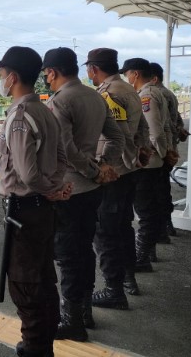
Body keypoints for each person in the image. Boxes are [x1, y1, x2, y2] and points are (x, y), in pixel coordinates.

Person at [0, 46, 70, 357]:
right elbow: (62, 157)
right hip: (41, 211)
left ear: (12, 78)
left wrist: (46, 189)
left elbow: (25, 174)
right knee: (44, 280)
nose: (0, 80)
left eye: (1, 75)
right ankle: (41, 345)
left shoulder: (21, 116)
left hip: (25, 211)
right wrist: (54, 186)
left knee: (26, 287)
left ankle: (36, 349)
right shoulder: (45, 111)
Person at [42, 47, 124, 341]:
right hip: (92, 190)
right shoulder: (95, 96)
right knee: (85, 250)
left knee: (67, 255)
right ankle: (85, 311)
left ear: (52, 72)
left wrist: (92, 169)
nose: (46, 80)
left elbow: (64, 149)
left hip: (69, 191)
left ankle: (72, 320)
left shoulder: (61, 101)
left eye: (46, 74)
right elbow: (116, 137)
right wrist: (104, 166)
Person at [84, 48, 150, 303]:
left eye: (88, 69)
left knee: (107, 232)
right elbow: (142, 128)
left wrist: (105, 167)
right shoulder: (130, 90)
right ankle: (128, 277)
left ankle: (114, 291)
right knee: (123, 228)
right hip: (129, 171)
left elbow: (116, 137)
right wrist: (142, 151)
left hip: (116, 175)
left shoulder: (109, 94)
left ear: (94, 69)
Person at [119, 58, 169, 273]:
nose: (126, 78)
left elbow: (155, 131)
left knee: (145, 211)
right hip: (155, 160)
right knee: (151, 208)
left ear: (136, 74)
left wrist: (162, 153)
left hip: (148, 163)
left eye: (127, 74)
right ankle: (147, 253)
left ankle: (141, 258)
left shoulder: (146, 95)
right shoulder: (157, 92)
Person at [149, 62, 182, 239]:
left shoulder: (156, 94)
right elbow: (177, 122)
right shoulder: (169, 94)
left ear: (154, 78)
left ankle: (162, 230)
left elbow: (158, 129)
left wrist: (164, 152)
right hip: (169, 148)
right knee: (163, 189)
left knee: (155, 194)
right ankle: (165, 226)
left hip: (161, 151)